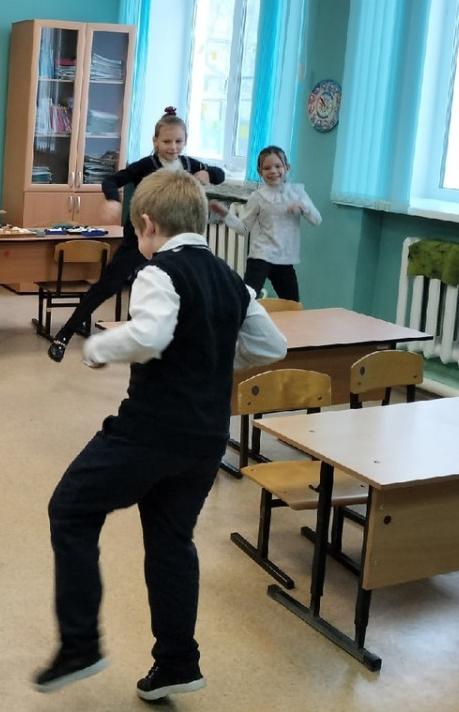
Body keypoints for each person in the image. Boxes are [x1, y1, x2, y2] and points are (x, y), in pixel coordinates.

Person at [33, 170, 287, 701]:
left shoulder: (158, 272)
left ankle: (79, 645)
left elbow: (149, 337)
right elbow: (272, 347)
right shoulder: (232, 279)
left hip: (150, 433)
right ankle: (176, 663)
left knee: (71, 509)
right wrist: (212, 360)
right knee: (172, 540)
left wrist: (97, 348)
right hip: (205, 441)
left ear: (147, 225)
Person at [46, 107, 227, 362]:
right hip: (141, 238)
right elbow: (111, 180)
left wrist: (208, 173)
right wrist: (112, 200)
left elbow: (220, 174)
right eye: (167, 141)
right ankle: (64, 334)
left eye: (178, 141)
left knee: (172, 287)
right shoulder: (145, 165)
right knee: (107, 285)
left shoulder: (190, 164)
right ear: (155, 141)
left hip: (174, 241)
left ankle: (166, 341)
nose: (173, 147)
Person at [222, 145, 321, 302]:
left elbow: (316, 220)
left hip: (284, 258)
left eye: (278, 166)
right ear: (260, 172)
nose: (273, 171)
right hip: (261, 257)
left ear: (287, 167)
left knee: (292, 305)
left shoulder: (298, 193)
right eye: (267, 168)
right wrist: (225, 214)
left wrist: (304, 207)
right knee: (247, 299)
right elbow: (243, 228)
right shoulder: (257, 197)